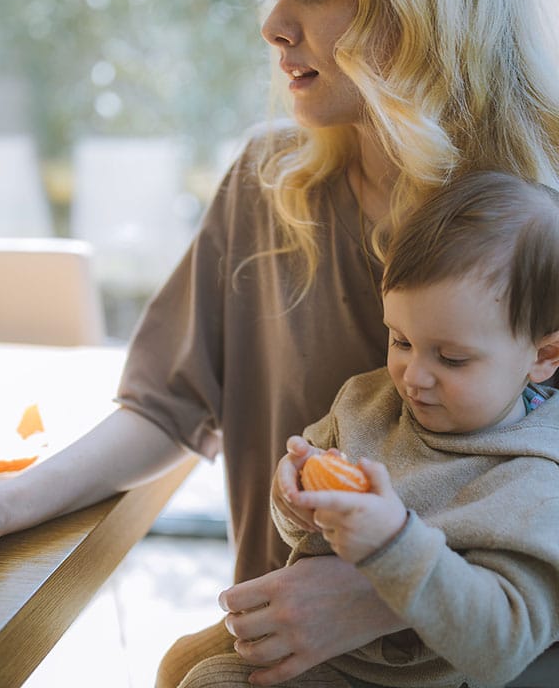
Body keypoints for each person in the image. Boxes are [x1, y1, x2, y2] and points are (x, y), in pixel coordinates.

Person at [0, 0, 559, 685]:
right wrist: (7, 500)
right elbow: (168, 405)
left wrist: (390, 592)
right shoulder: (267, 185)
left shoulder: (542, 224)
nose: (273, 24)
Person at [181, 170, 559, 688]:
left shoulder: (534, 480)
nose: (412, 376)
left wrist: (394, 544)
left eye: (451, 358)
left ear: (543, 356)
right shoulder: (367, 401)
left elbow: (502, 647)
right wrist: (295, 501)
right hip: (319, 654)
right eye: (401, 340)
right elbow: (303, 535)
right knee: (194, 673)